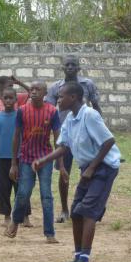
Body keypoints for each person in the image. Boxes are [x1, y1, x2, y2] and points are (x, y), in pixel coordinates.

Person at [33, 83, 120, 262]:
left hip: (103, 168)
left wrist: (92, 167)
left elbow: (108, 141)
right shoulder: (70, 119)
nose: (58, 100)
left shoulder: (90, 115)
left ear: (73, 97)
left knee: (88, 211)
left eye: (61, 97)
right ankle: (77, 257)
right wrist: (43, 160)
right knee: (75, 212)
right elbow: (64, 147)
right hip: (87, 168)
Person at [45, 55, 102, 223]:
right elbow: (49, 111)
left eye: (73, 65)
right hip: (66, 136)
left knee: (90, 171)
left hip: (86, 136)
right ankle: (64, 209)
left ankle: (91, 208)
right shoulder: (56, 87)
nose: (70, 67)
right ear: (63, 68)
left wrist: (100, 131)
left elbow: (96, 107)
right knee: (64, 172)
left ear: (78, 69)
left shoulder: (87, 85)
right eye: (67, 65)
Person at [4, 82, 62, 243]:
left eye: (38, 89)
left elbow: (58, 139)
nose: (33, 91)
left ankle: (50, 233)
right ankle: (15, 222)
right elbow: (16, 136)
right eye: (32, 89)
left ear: (45, 93)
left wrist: (61, 164)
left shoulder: (51, 111)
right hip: (26, 158)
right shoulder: (22, 111)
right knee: (23, 193)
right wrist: (14, 163)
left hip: (45, 158)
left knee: (46, 195)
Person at [0, 87, 31, 227]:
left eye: (11, 98)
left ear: (16, 99)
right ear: (1, 99)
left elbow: (25, 136)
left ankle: (25, 216)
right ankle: (7, 216)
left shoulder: (21, 115)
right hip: (2, 157)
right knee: (4, 188)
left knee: (21, 187)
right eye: (5, 98)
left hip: (19, 157)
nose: (8, 101)